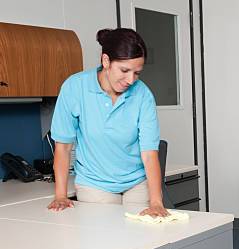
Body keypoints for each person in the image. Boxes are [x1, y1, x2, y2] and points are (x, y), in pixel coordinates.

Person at [48, 28, 168, 217]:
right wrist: (61, 195)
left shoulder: (143, 95)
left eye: (137, 73)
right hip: (95, 183)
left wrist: (156, 202)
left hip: (136, 182)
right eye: (124, 70)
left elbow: (149, 153)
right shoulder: (75, 88)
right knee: (107, 239)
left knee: (144, 236)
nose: (131, 80)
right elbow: (63, 147)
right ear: (106, 61)